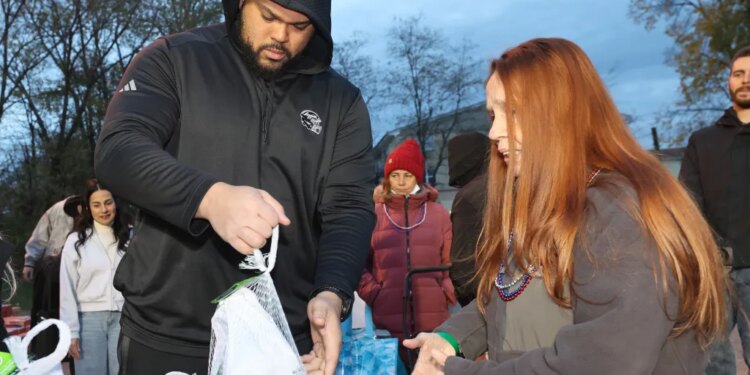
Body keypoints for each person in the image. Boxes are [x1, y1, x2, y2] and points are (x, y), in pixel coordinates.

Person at [404, 38, 727, 374]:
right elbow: (507, 296)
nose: (494, 132)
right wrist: (450, 338)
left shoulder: (619, 211)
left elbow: (601, 362)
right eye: (493, 114)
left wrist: (459, 371)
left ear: (562, 113)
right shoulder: (545, 204)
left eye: (512, 112)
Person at [93, 0, 375, 373]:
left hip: (283, 339)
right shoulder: (175, 58)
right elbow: (118, 149)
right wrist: (210, 199)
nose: (281, 35)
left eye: (300, 25)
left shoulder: (341, 101)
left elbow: (350, 209)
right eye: (269, 17)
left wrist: (332, 292)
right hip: (168, 334)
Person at [679, 45, 750, 374]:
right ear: (729, 83)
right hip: (716, 274)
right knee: (714, 365)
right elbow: (688, 204)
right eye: (739, 74)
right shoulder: (702, 142)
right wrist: (711, 256)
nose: (745, 80)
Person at [357, 138, 456, 365]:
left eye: (407, 175)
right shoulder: (375, 215)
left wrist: (446, 292)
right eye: (395, 175)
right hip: (388, 318)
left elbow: (449, 262)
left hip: (434, 314)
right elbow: (359, 265)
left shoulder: (438, 214)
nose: (400, 181)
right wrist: (375, 294)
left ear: (418, 176)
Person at [58, 179, 128, 374]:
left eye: (108, 202)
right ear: (88, 208)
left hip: (124, 319)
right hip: (87, 321)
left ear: (116, 203)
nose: (103, 209)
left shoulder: (130, 238)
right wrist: (71, 332)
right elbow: (67, 289)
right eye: (96, 205)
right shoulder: (76, 242)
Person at [23, 195, 81, 362]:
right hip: (52, 270)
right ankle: (46, 356)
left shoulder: (97, 206)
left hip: (79, 270)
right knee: (48, 315)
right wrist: (30, 262)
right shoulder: (59, 209)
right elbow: (40, 235)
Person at [446, 132, 488, 307]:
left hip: (480, 294)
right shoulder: (505, 185)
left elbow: (462, 258)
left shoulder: (468, 197)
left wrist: (465, 294)